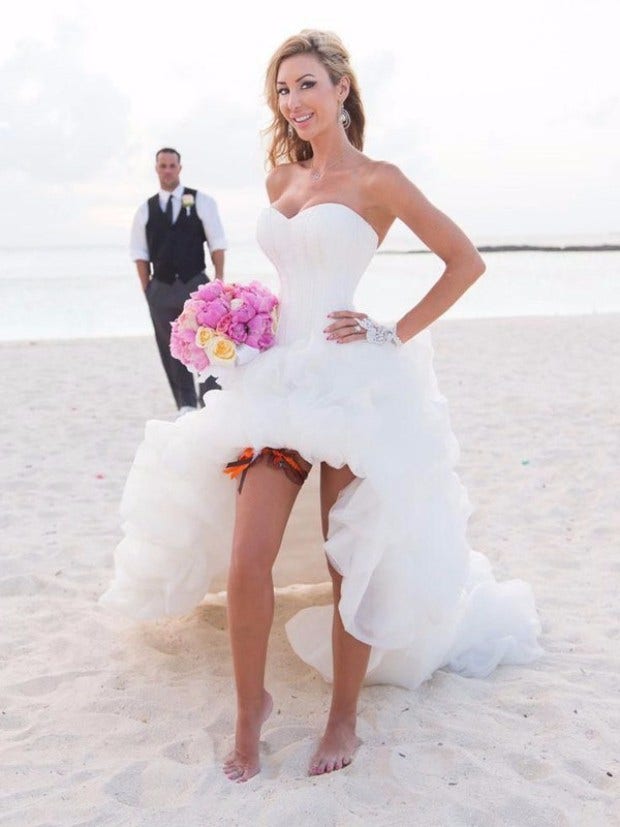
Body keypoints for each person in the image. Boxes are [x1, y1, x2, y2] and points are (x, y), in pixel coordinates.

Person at [101, 31, 542, 782]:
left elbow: (465, 261)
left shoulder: (380, 181)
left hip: (350, 387)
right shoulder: (281, 178)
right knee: (247, 559)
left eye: (307, 84)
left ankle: (343, 717)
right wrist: (237, 320)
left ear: (341, 88)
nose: (294, 101)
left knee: (350, 560)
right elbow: (292, 277)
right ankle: (250, 711)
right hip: (277, 381)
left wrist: (390, 331)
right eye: (282, 90)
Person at [130, 147, 227, 415]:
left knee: (205, 344)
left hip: (196, 285)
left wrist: (218, 283)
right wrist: (148, 290)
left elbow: (217, 244)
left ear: (179, 168)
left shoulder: (201, 202)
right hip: (160, 289)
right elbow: (139, 254)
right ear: (156, 169)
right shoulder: (145, 210)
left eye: (172, 165)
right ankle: (185, 405)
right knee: (171, 347)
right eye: (163, 166)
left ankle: (210, 403)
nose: (168, 170)